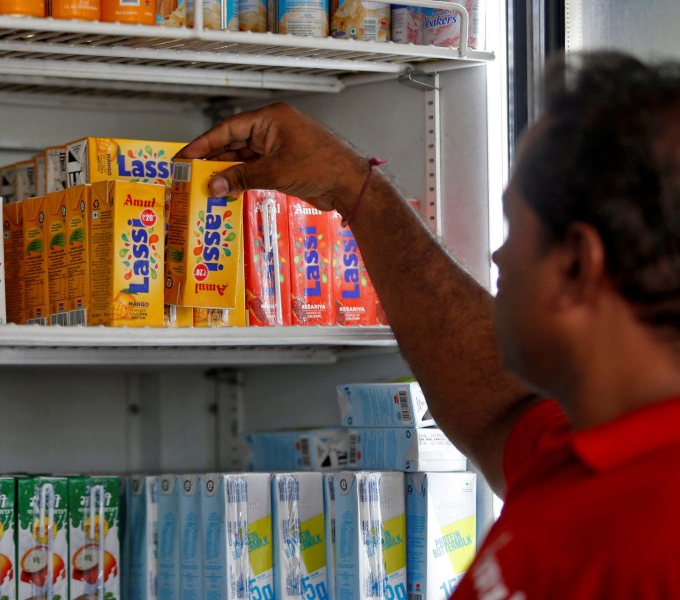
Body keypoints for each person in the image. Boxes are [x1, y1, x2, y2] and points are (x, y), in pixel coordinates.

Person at [177, 51, 680, 598]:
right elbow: (492, 406)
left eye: (516, 228)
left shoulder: (658, 538)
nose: (498, 257)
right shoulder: (581, 455)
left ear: (578, 263)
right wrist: (350, 185)